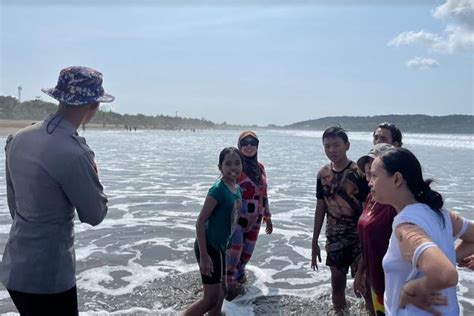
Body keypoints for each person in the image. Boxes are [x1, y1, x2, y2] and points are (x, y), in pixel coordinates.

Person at [0, 66, 113, 315]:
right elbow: (95, 214)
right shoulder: (74, 153)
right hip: (48, 276)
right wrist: (92, 171)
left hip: (15, 267)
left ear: (60, 98)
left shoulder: (19, 137)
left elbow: (14, 205)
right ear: (94, 105)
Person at [369, 147, 474, 315]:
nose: (369, 182)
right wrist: (451, 256)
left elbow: (446, 274)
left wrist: (411, 289)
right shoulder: (441, 214)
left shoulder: (406, 226)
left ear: (396, 179)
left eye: (374, 176)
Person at [311, 126, 369, 313]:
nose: (332, 150)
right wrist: (314, 241)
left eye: (336, 145)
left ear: (347, 145)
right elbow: (321, 207)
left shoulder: (358, 173)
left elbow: (368, 208)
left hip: (358, 238)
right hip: (334, 238)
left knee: (366, 287)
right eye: (327, 146)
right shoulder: (323, 174)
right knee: (337, 287)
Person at [183, 147, 242, 316]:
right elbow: (200, 222)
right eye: (228, 164)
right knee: (210, 299)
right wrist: (204, 256)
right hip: (208, 246)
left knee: (221, 292)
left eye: (237, 163)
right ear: (220, 167)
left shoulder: (235, 188)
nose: (233, 167)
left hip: (220, 247)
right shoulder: (218, 190)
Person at [354, 122, 403, 316]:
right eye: (367, 174)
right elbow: (369, 239)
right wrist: (361, 272)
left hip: (396, 287)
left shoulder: (400, 203)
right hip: (376, 281)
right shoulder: (371, 197)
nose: (369, 180)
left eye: (373, 174)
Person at [225, 131, 273, 300]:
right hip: (236, 220)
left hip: (256, 220)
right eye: (245, 143)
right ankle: (227, 289)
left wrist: (268, 216)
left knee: (246, 254)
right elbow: (224, 189)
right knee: (233, 254)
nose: (249, 146)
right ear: (239, 146)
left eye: (253, 143)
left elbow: (263, 193)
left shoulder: (260, 168)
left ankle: (239, 286)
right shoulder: (236, 167)